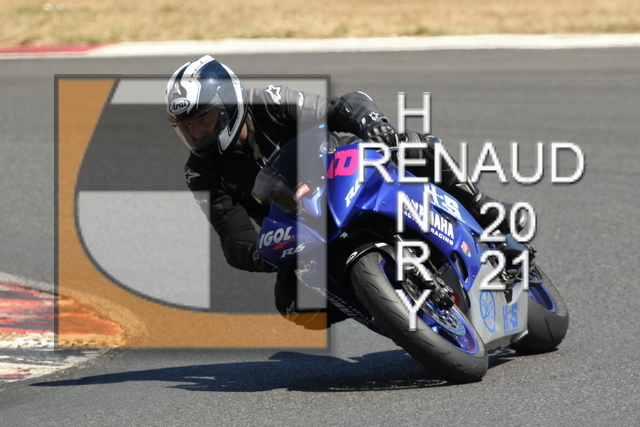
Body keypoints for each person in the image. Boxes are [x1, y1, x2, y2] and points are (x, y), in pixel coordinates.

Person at [165, 55, 526, 329]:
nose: (197, 134)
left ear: (229, 106)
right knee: (293, 306)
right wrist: (266, 256)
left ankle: (483, 208)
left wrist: (372, 123)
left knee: (412, 147)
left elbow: (338, 107)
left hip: (344, 175)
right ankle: (382, 306)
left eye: (203, 120)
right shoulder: (200, 172)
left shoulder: (269, 102)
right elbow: (233, 238)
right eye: (188, 127)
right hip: (301, 228)